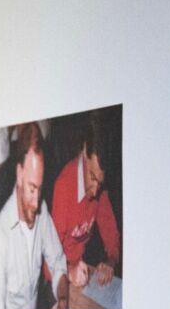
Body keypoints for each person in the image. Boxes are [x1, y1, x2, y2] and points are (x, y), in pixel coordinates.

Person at [0, 123, 69, 309]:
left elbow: (58, 263)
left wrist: (63, 306)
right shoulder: (0, 236)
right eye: (31, 189)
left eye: (40, 189)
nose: (37, 203)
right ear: (19, 174)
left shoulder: (41, 209)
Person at [51, 112, 121, 288]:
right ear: (84, 152)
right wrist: (68, 271)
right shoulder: (63, 187)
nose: (96, 190)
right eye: (92, 177)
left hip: (81, 271)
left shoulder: (99, 189)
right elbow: (47, 261)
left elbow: (112, 237)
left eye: (101, 182)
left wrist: (110, 262)